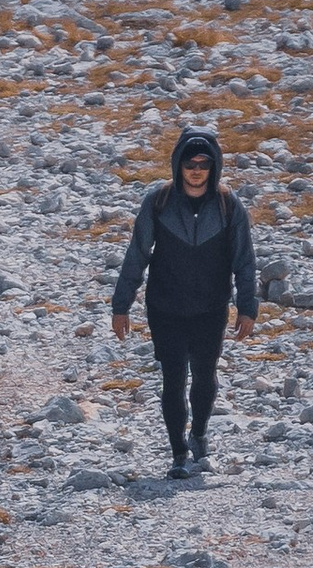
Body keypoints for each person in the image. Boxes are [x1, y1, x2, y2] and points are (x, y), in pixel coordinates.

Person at [110, 123, 257, 478]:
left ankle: (200, 434)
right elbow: (137, 254)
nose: (196, 170)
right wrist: (121, 304)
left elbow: (245, 259)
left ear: (213, 167)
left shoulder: (228, 205)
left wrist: (248, 307)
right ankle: (178, 453)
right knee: (173, 379)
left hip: (211, 308)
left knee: (205, 376)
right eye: (190, 163)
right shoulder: (158, 201)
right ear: (178, 165)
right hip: (165, 307)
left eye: (203, 164)